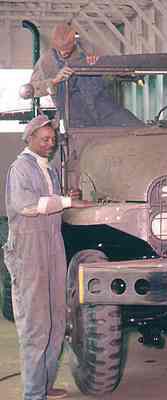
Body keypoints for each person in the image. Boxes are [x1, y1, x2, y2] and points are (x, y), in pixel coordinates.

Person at [3, 114, 95, 399]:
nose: (49, 144)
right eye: (44, 139)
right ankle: (34, 394)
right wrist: (68, 201)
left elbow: (50, 202)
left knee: (56, 320)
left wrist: (68, 197)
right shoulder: (20, 168)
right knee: (35, 325)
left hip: (53, 244)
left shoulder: (49, 169)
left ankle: (45, 384)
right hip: (29, 248)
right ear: (29, 138)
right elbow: (25, 205)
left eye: (52, 140)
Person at [29, 22, 143, 128]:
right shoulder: (46, 62)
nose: (63, 52)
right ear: (53, 44)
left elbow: (111, 73)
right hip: (74, 115)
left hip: (102, 106)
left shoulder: (90, 49)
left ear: (74, 40)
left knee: (137, 128)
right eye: (60, 49)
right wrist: (55, 81)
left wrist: (98, 64)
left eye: (67, 47)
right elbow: (30, 91)